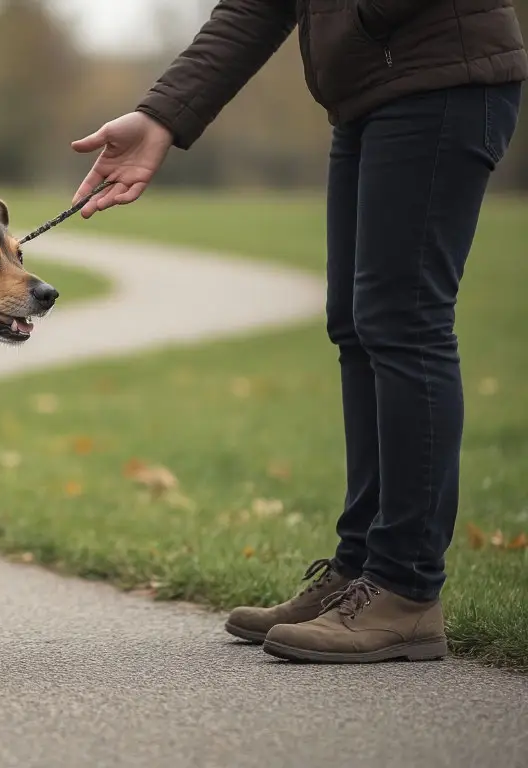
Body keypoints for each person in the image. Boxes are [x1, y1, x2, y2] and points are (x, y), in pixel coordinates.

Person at [71, 0, 525, 663]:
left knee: (404, 325)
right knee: (357, 326)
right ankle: (360, 569)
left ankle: (405, 591)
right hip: (372, 90)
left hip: (440, 77)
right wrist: (163, 115)